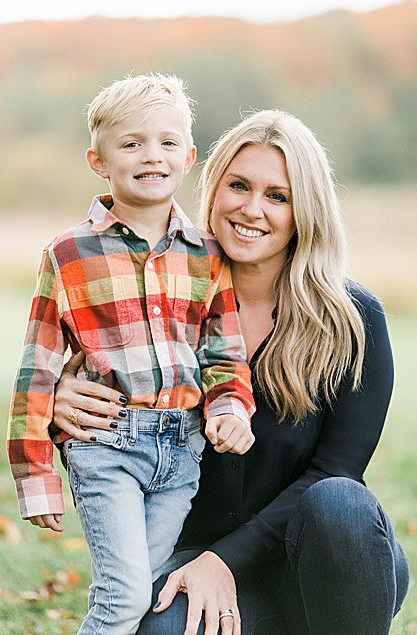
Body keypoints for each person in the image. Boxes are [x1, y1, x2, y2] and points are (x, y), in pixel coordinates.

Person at [53, 110, 408, 635]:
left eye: (278, 196)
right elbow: (113, 449)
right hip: (194, 556)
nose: (252, 208)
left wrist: (226, 560)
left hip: (316, 557)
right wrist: (60, 408)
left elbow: (338, 468)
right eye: (238, 186)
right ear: (213, 190)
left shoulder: (353, 320)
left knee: (337, 500)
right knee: (162, 628)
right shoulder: (154, 302)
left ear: (305, 210)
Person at [6, 74, 256, 634]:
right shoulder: (69, 252)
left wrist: (229, 408)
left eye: (167, 143)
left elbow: (223, 353)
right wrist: (36, 475)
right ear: (98, 161)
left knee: (144, 591)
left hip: (182, 452)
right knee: (121, 598)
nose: (152, 155)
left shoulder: (208, 256)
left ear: (189, 156)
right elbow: (38, 367)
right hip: (107, 448)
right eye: (132, 143)